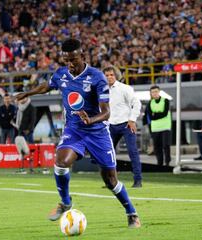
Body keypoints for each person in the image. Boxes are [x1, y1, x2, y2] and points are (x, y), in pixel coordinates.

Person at [16, 39, 141, 228]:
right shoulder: (62, 74)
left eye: (73, 60)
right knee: (60, 162)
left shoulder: (97, 77)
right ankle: (65, 202)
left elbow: (107, 112)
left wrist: (90, 120)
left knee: (110, 180)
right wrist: (28, 93)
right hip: (74, 130)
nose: (70, 64)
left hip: (98, 133)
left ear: (82, 56)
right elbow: (46, 85)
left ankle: (131, 212)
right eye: (66, 60)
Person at [103, 66, 143, 188]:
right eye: (107, 75)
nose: (109, 77)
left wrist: (132, 120)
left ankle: (138, 180)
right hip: (110, 125)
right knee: (107, 154)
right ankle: (111, 181)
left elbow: (136, 103)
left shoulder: (125, 88)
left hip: (126, 124)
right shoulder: (102, 90)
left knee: (133, 152)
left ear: (116, 75)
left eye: (111, 75)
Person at [145, 85, 172, 166]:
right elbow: (150, 116)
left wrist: (155, 115)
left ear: (159, 92)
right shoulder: (150, 103)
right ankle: (159, 163)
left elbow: (165, 113)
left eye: (156, 91)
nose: (154, 93)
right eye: (153, 92)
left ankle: (167, 162)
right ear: (151, 93)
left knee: (166, 145)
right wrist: (157, 115)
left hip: (165, 126)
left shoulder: (165, 100)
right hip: (155, 128)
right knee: (157, 146)